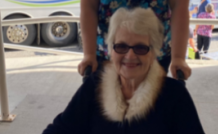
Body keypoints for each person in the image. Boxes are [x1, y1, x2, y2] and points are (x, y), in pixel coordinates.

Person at [42, 8, 205, 134]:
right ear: (111, 51)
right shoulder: (95, 86)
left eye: (140, 48)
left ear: (154, 52)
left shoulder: (174, 95)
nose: (130, 55)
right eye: (121, 46)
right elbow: (61, 129)